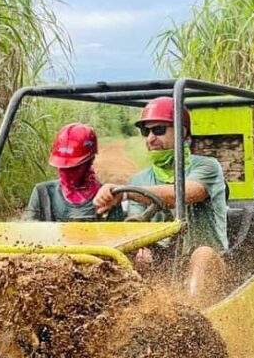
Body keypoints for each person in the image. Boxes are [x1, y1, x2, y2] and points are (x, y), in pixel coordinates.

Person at [92, 97, 228, 299]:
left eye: (159, 130)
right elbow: (137, 226)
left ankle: (192, 319)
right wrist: (141, 250)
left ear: (181, 132)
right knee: (123, 258)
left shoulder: (207, 166)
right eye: (146, 132)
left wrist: (125, 192)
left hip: (206, 260)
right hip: (163, 262)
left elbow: (185, 194)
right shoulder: (140, 179)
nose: (150, 139)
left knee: (203, 256)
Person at [24, 123, 125, 222]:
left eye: (73, 167)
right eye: (62, 166)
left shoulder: (109, 197)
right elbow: (30, 234)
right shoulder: (42, 194)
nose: (66, 171)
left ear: (90, 160)